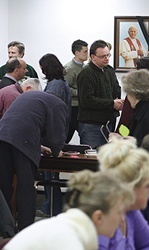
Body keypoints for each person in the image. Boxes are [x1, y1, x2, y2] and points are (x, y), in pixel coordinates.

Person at [4, 170, 133, 250]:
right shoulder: (69, 239)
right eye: (119, 212)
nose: (123, 219)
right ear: (98, 217)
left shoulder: (71, 226)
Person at [0, 91, 68, 231]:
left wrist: (38, 146)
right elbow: (56, 136)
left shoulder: (28, 96)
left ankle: (4, 228)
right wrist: (57, 150)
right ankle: (26, 229)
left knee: (3, 186)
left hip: (2, 135)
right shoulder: (59, 105)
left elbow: (22, 122)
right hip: (23, 140)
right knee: (25, 187)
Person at [37, 53, 72, 217]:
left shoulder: (55, 85)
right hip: (58, 130)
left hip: (51, 133)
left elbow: (49, 111)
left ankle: (51, 208)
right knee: (52, 174)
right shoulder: (61, 83)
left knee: (50, 174)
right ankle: (51, 206)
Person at [77, 39, 124, 149]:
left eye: (108, 55)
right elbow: (87, 100)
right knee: (93, 160)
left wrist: (118, 101)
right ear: (93, 57)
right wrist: (112, 103)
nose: (107, 58)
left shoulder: (109, 70)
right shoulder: (86, 73)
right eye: (103, 56)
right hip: (92, 125)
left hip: (109, 122)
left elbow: (116, 89)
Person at [64, 39, 88, 143]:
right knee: (67, 136)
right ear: (77, 53)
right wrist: (79, 93)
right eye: (85, 51)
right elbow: (65, 88)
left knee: (85, 134)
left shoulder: (85, 67)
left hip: (82, 106)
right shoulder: (69, 68)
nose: (87, 54)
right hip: (73, 107)